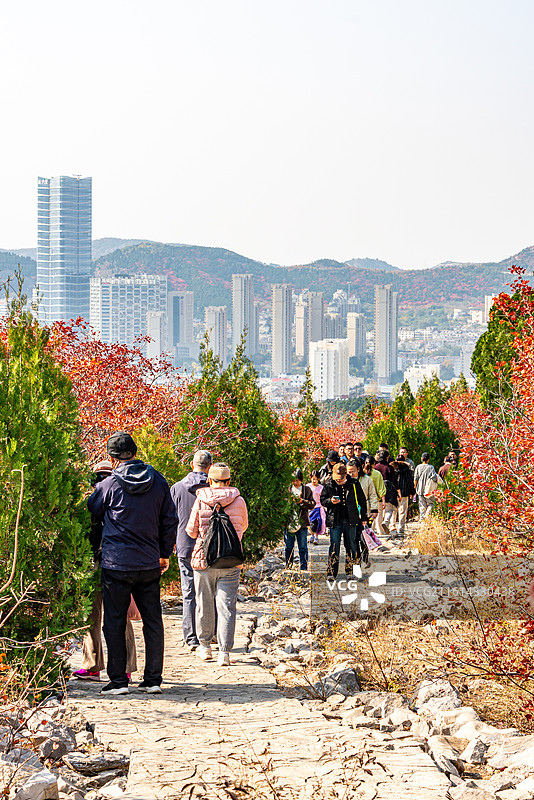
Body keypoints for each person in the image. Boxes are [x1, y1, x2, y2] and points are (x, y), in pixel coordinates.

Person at [87, 432, 177, 696]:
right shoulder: (158, 480)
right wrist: (164, 553)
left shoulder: (109, 485)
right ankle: (153, 680)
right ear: (135, 452)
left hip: (116, 564)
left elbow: (92, 511)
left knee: (113, 620)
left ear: (112, 459)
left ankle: (118, 681)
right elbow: (170, 519)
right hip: (149, 562)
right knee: (153, 620)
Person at [73, 460, 137, 682]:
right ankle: (94, 665)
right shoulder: (96, 504)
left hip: (110, 564)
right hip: (99, 564)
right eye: (98, 478)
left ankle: (121, 666)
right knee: (94, 615)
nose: (101, 482)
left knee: (115, 615)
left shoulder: (115, 503)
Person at [186, 463, 248, 666]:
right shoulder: (239, 501)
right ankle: (225, 652)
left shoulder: (201, 499)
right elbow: (243, 527)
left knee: (203, 604)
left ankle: (205, 647)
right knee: (227, 607)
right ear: (229, 481)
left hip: (204, 561)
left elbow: (191, 531)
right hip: (230, 561)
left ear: (209, 480)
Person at [170, 450, 212, 652]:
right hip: (209, 546)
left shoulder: (177, 488)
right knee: (209, 592)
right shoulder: (213, 488)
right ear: (210, 467)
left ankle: (191, 637)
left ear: (191, 464)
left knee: (188, 592)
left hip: (185, 544)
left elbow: (170, 519)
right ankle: (209, 635)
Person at [321, 462, 368, 579]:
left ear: (346, 475)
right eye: (337, 479)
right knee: (334, 545)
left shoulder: (354, 483)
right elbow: (322, 500)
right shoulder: (329, 483)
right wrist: (330, 501)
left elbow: (362, 500)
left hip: (351, 519)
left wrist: (364, 517)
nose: (339, 481)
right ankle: (331, 572)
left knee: (351, 545)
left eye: (341, 479)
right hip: (335, 520)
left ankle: (350, 571)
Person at [283, 469, 315, 569]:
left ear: (301, 479)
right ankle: (288, 566)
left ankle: (304, 567)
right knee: (288, 547)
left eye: (297, 480)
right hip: (289, 522)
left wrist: (302, 502)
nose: (295, 483)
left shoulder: (307, 490)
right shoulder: (287, 489)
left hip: (302, 523)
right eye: (293, 481)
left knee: (303, 547)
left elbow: (312, 504)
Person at [414, 452, 439, 520]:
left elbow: (415, 478)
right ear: (428, 459)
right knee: (431, 504)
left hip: (420, 489)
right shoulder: (431, 467)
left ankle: (422, 520)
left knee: (422, 505)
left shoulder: (418, 467)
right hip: (428, 489)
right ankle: (427, 515)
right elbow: (434, 478)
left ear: (421, 458)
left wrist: (415, 487)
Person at [396, 455, 416, 535]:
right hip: (404, 493)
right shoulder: (408, 470)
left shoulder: (394, 469)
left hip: (395, 493)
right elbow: (410, 482)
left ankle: (392, 527)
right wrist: (412, 492)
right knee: (403, 511)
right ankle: (401, 528)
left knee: (394, 511)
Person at [307, 469, 326, 545]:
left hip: (318, 507)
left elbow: (322, 498)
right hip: (309, 507)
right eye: (312, 479)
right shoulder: (307, 487)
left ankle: (316, 536)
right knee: (310, 523)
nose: (314, 481)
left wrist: (323, 506)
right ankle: (312, 535)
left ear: (319, 478)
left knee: (317, 523)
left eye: (316, 479)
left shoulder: (321, 487)